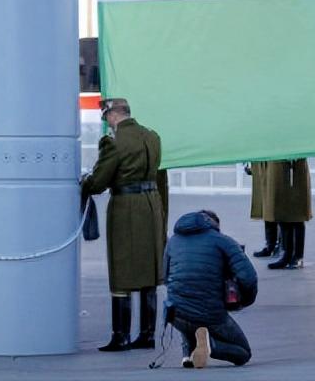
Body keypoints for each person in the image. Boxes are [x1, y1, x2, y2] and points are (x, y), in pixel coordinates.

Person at [81, 97, 168, 351]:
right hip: (152, 206)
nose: (107, 122)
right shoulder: (152, 137)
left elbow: (99, 182)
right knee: (149, 269)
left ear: (114, 114)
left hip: (126, 206)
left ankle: (121, 336)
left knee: (122, 267)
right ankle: (148, 334)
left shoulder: (114, 142)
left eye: (106, 117)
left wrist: (85, 183)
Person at [163, 209, 257, 368]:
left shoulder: (173, 241)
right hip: (211, 315)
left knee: (186, 309)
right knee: (243, 353)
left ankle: (188, 355)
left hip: (175, 314)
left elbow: (166, 277)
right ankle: (211, 346)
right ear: (214, 225)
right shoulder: (223, 241)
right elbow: (248, 278)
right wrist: (245, 301)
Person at [264, 158, 311, 270]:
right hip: (279, 166)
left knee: (297, 215)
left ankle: (298, 256)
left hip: (295, 167)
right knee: (282, 212)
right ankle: (287, 255)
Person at [247, 162, 279, 258]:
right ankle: (271, 245)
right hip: (262, 166)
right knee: (266, 208)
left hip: (274, 166)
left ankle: (278, 246)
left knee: (274, 207)